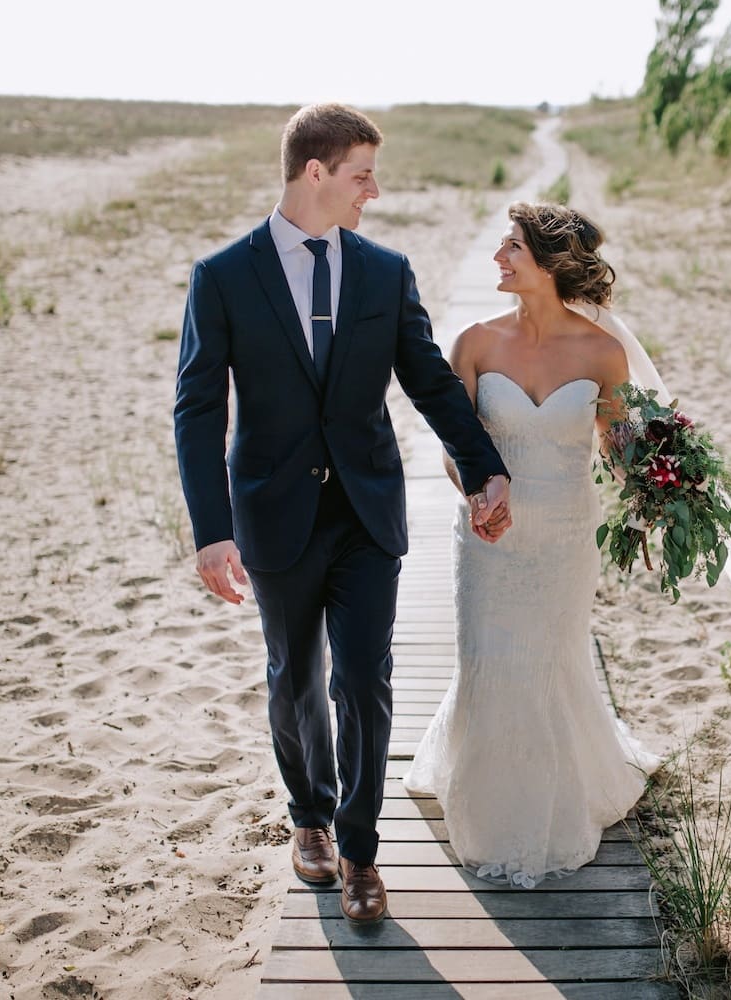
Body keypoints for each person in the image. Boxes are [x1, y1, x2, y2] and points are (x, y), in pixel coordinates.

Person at [173, 103, 514, 924]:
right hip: (272, 514)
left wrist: (484, 469)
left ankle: (361, 851)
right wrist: (211, 528)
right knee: (295, 680)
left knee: (363, 679)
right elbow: (196, 410)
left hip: (366, 510)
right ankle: (311, 817)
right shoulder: (222, 276)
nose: (375, 190)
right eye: (363, 173)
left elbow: (429, 381)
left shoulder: (383, 271)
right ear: (315, 173)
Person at [404, 203, 661, 888]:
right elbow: (456, 450)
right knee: (490, 660)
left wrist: (663, 475)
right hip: (491, 535)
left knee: (549, 662)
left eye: (511, 247)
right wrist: (477, 491)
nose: (498, 258)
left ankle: (558, 801)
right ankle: (491, 816)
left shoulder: (604, 354)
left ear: (548, 262)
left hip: (565, 538)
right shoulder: (475, 345)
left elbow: (621, 451)